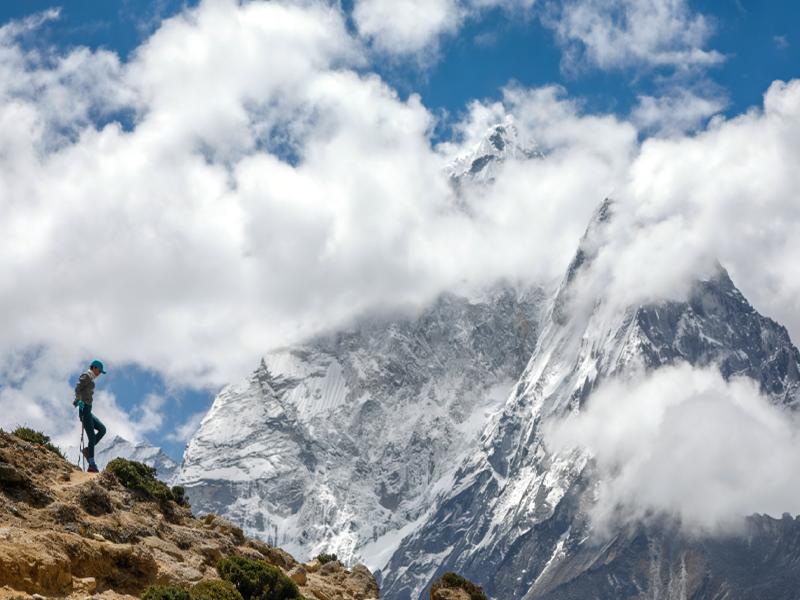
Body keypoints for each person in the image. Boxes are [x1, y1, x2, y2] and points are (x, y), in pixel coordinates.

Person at [73, 359, 108, 473]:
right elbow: (78, 388)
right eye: (99, 371)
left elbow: (81, 390)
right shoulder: (87, 375)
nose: (99, 374)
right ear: (94, 368)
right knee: (92, 437)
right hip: (84, 410)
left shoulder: (91, 377)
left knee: (102, 429)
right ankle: (91, 464)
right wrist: (78, 401)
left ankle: (88, 450)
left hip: (88, 410)